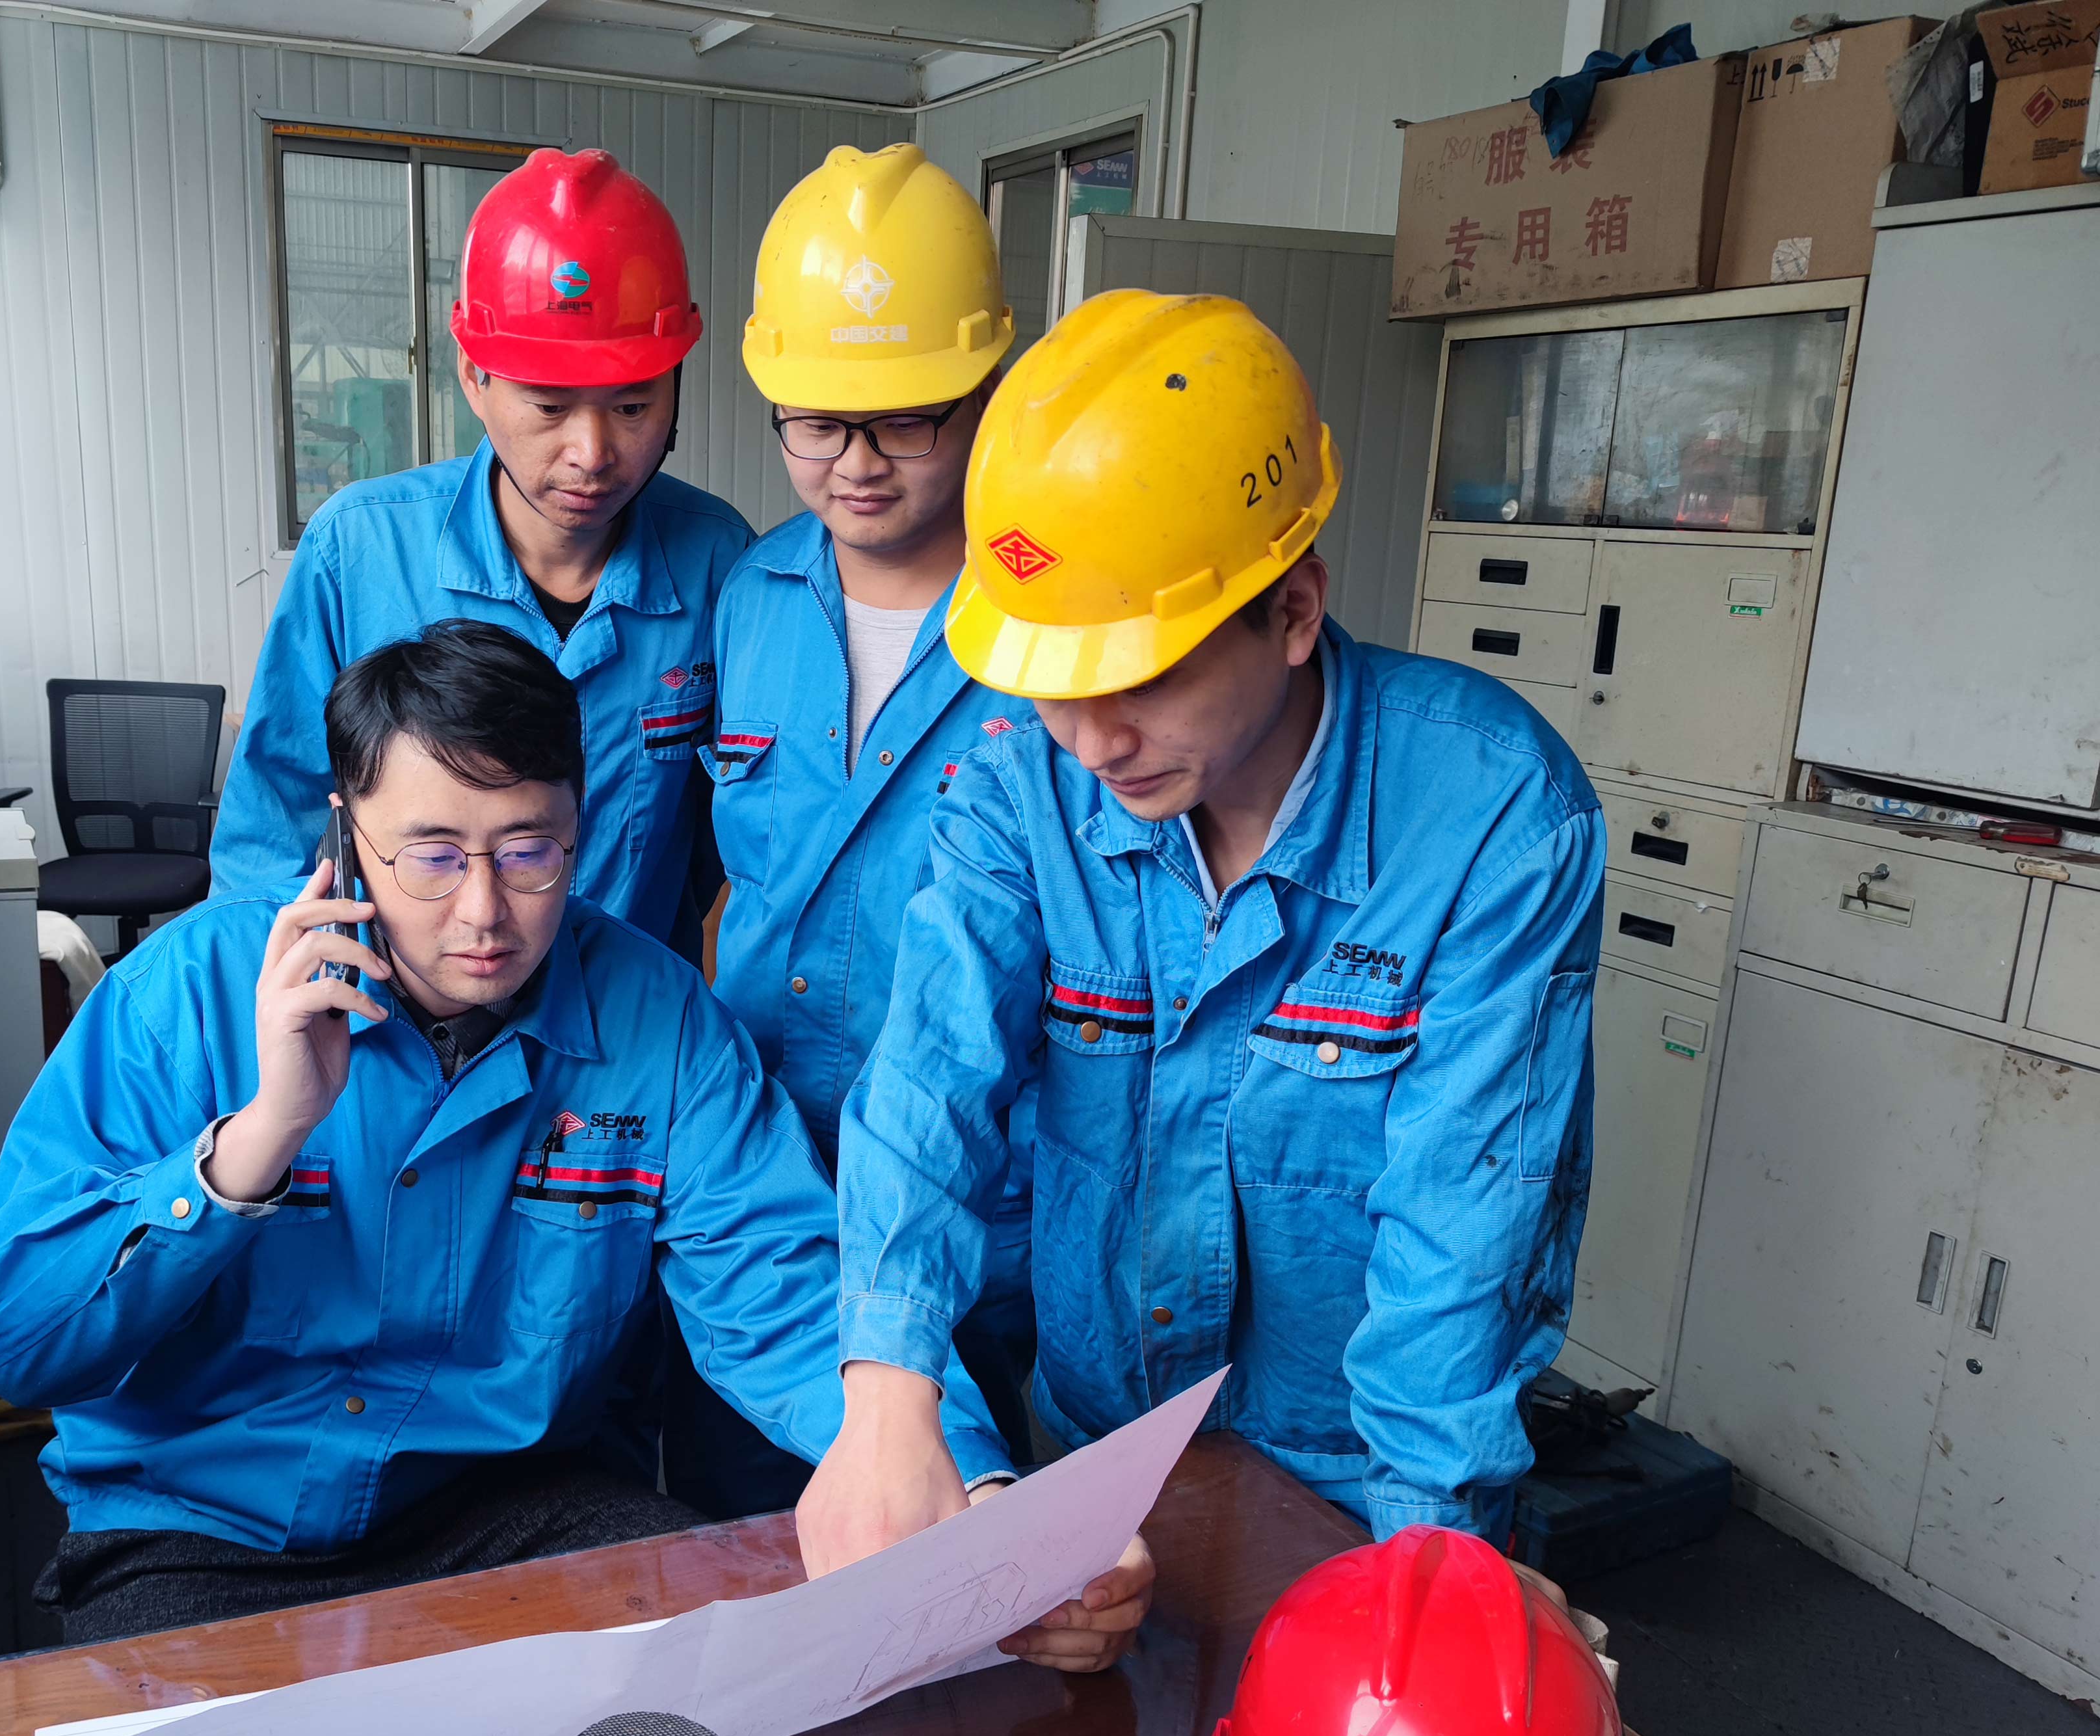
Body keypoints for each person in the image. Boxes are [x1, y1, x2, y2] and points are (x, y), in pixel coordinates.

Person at [0, 622, 1020, 1642]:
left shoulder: (660, 1024)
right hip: (198, 1531)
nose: (483, 913)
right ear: (345, 834)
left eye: (528, 853)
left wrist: (971, 1483)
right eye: (431, 857)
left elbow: (781, 1288)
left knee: (718, 1689)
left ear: (579, 828)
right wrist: (259, 1141)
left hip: (506, 1511)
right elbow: (10, 1342)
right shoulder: (184, 996)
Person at [829, 289, 1605, 1551]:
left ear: (1292, 611)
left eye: (1141, 680)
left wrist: (1421, 1561)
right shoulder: (1022, 783)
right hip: (1093, 1447)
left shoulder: (1491, 818)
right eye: (1055, 685)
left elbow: (1465, 1235)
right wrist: (887, 1392)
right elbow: (930, 1084)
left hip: (1357, 1489)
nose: (1092, 743)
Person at [662, 143, 1039, 1517]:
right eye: (816, 425)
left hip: (984, 1221)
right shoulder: (748, 595)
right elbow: (705, 872)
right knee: (742, 1554)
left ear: (983, 391)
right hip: (757, 1193)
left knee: (973, 1567)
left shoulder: (1049, 627)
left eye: (904, 424)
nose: (856, 465)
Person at [210, 146, 746, 955]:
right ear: (473, 377)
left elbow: (720, 843)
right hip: (395, 1016)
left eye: (633, 407)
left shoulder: (717, 564)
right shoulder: (359, 554)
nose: (592, 453)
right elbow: (269, 837)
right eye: (549, 407)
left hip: (621, 1017)